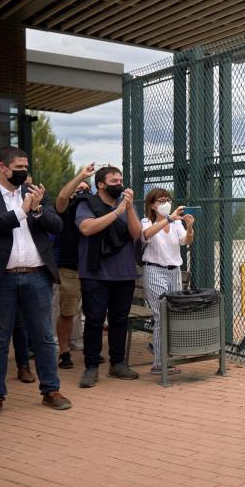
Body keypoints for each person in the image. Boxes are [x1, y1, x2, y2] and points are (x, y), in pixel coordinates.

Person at [0, 147, 71, 420]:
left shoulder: (33, 192)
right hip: (0, 278)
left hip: (37, 275)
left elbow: (57, 226)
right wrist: (20, 213)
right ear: (2, 167)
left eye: (26, 166)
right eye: (18, 167)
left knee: (45, 338)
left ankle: (51, 390)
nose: (23, 172)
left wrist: (36, 210)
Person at [76, 166, 142, 387]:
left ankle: (118, 363)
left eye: (121, 180)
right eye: (114, 180)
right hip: (95, 274)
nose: (119, 184)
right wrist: (116, 212)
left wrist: (129, 208)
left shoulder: (126, 205)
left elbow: (136, 234)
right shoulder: (87, 204)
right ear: (101, 184)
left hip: (123, 273)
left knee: (119, 320)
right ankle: (91, 366)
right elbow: (86, 228)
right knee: (94, 321)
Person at [140, 188, 195, 375]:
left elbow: (185, 241)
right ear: (152, 205)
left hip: (174, 272)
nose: (165, 203)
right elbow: (146, 234)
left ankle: (157, 348)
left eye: (167, 199)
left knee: (171, 315)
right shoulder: (147, 222)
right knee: (160, 314)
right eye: (161, 200)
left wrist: (189, 227)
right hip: (154, 270)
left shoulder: (175, 223)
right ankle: (158, 363)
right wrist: (169, 218)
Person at [53, 164, 94, 369]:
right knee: (68, 311)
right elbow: (61, 198)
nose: (82, 193)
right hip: (69, 268)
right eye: (78, 190)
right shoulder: (65, 210)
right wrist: (81, 176)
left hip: (93, 268)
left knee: (94, 312)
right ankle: (64, 352)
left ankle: (91, 350)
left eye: (86, 189)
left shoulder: (95, 209)